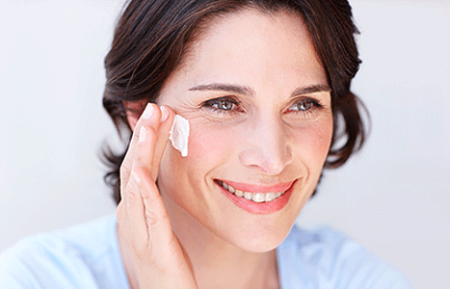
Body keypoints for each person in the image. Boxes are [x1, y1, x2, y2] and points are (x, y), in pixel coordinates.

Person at [0, 0, 412, 288]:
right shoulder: (37, 279)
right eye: (224, 104)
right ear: (141, 112)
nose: (272, 158)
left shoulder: (359, 280)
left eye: (303, 104)